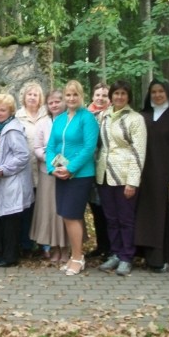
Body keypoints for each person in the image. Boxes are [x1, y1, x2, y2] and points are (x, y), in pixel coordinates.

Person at [45, 81, 99, 276]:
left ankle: (77, 257)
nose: (71, 98)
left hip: (80, 175)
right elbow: (51, 146)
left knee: (73, 215)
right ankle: (74, 256)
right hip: (61, 174)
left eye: (75, 94)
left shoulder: (87, 118)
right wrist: (53, 168)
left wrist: (71, 168)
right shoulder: (60, 119)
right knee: (66, 215)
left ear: (81, 96)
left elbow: (89, 148)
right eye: (68, 95)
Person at [135, 80, 169, 272]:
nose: (157, 95)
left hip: (166, 175)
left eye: (161, 91)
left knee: (164, 218)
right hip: (144, 175)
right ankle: (147, 256)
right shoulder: (142, 116)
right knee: (146, 217)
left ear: (168, 93)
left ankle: (162, 258)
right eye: (154, 92)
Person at [96, 81, 147, 276]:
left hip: (124, 176)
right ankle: (115, 253)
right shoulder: (104, 116)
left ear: (128, 97)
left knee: (126, 219)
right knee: (111, 218)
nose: (119, 97)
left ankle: (127, 256)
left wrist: (132, 181)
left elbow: (139, 151)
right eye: (116, 93)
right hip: (104, 174)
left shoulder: (135, 119)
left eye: (123, 93)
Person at [0, 94, 33, 267]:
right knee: (0, 218)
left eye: (2, 110)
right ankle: (5, 254)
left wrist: (3, 169)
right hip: (0, 180)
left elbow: (23, 155)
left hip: (12, 181)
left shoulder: (12, 129)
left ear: (11, 111)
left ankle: (10, 257)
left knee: (10, 221)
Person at [30, 89, 69, 262]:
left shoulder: (71, 120)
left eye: (57, 101)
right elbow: (37, 148)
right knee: (50, 211)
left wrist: (65, 165)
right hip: (47, 172)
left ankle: (66, 247)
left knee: (65, 210)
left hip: (69, 172)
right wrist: (53, 161)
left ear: (64, 102)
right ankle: (54, 247)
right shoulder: (43, 123)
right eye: (50, 102)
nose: (54, 105)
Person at [15, 82, 48, 256]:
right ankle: (26, 244)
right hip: (25, 169)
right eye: (29, 94)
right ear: (24, 97)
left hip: (44, 168)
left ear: (40, 98)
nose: (32, 97)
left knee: (43, 207)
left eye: (36, 95)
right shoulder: (17, 116)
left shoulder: (47, 116)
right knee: (26, 208)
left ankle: (44, 243)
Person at [85, 82, 112, 260]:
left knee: (107, 209)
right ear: (92, 97)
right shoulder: (86, 114)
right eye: (98, 95)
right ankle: (101, 245)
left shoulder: (111, 115)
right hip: (89, 168)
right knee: (95, 209)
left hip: (107, 168)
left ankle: (111, 248)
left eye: (104, 95)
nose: (100, 98)